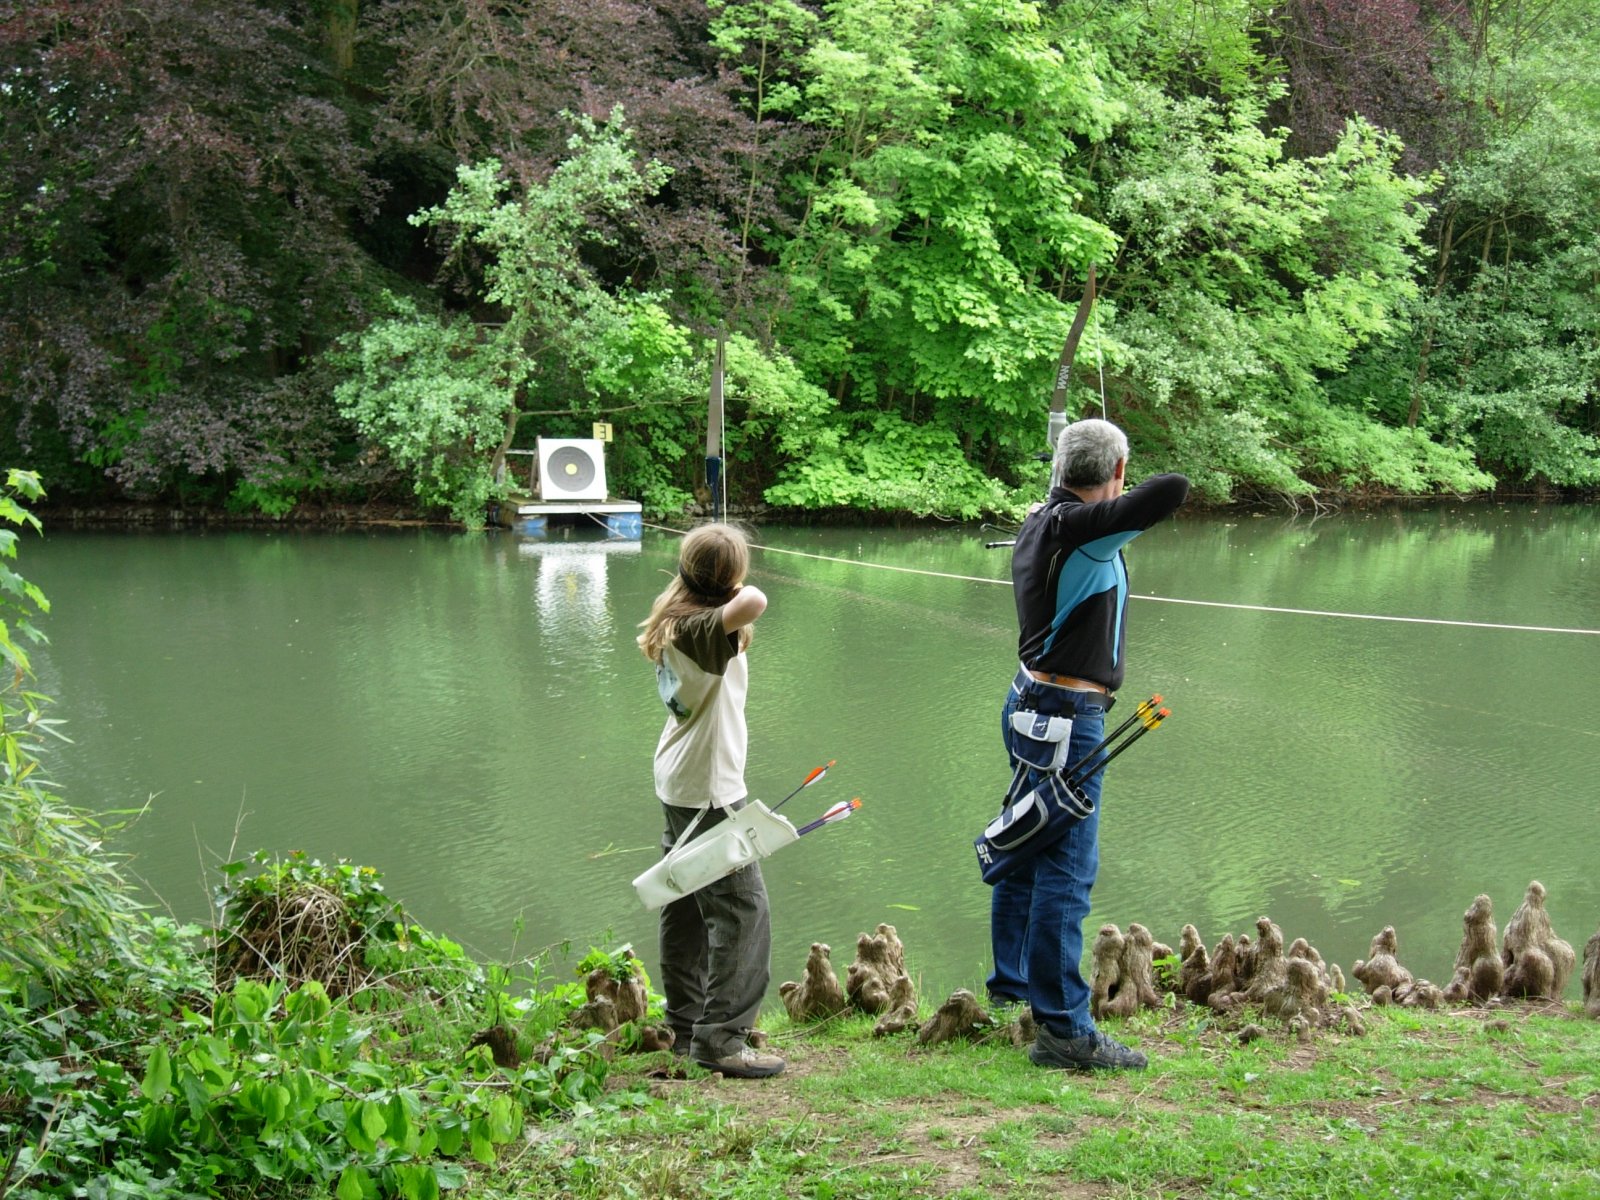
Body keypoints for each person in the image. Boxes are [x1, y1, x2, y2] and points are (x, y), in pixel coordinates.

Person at [988, 418, 1188, 1071]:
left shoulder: (1043, 518)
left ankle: (1012, 985)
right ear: (1117, 470)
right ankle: (1064, 1032)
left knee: (1026, 843)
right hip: (1067, 716)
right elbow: (1174, 487)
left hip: (1031, 703)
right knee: (1066, 872)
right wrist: (1113, 482)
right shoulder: (1081, 531)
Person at [636, 522, 785, 1079]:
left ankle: (687, 1023)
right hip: (707, 791)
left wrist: (710, 571)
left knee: (685, 900)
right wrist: (734, 579)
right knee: (744, 912)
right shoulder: (702, 628)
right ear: (729, 578)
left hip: (681, 780)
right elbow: (757, 600)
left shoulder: (677, 618)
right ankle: (720, 1039)